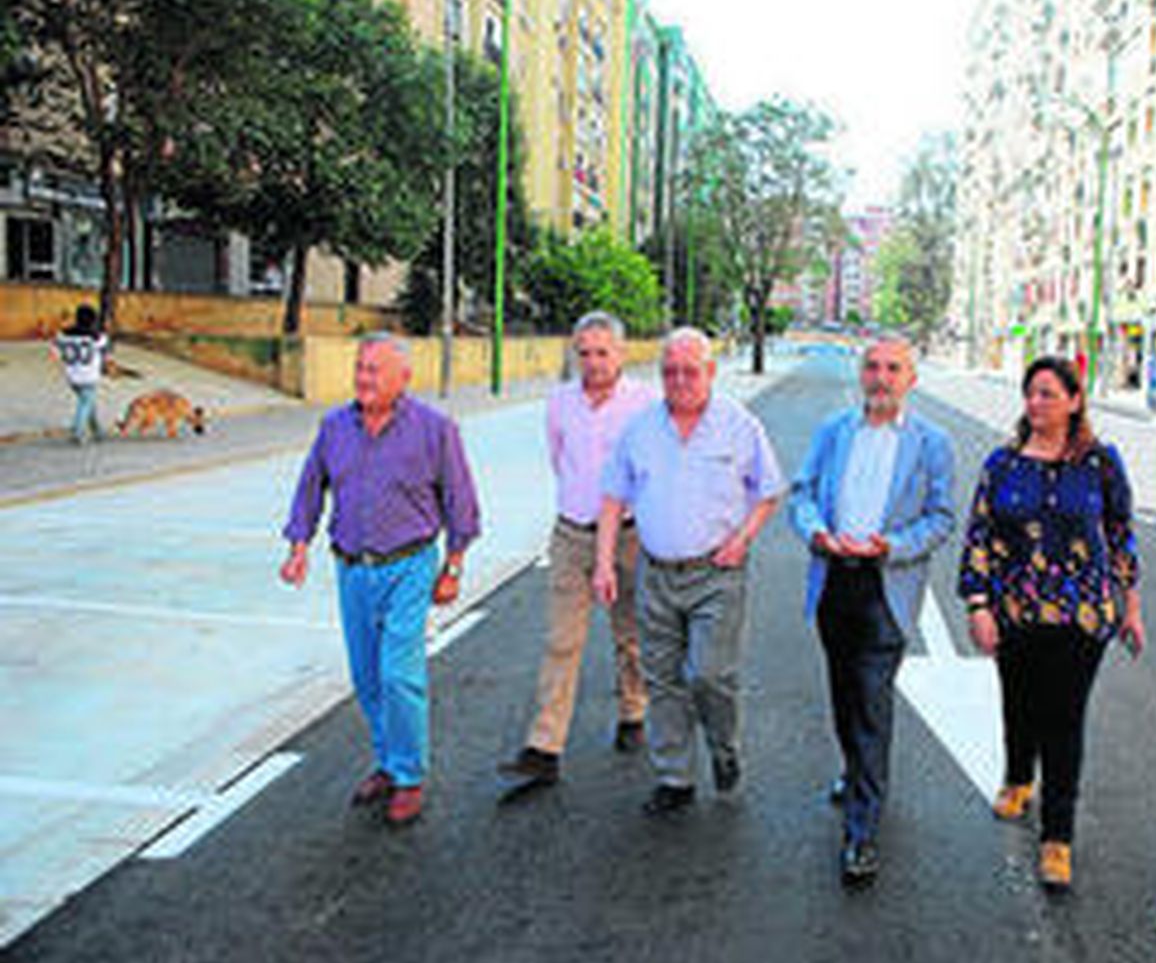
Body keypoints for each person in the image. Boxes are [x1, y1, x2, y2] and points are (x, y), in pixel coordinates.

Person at [958, 354, 1144, 891]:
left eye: (1047, 393)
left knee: (1064, 721)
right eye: (1031, 393)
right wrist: (978, 606)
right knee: (1019, 701)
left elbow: (1120, 537)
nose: (1036, 403)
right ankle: (1019, 778)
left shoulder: (1100, 463)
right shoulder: (1002, 463)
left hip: (1082, 618)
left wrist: (1130, 608)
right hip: (1016, 611)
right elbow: (980, 537)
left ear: (1074, 400)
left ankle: (1057, 837)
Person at [280, 334, 481, 826]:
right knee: (367, 677)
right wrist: (298, 545)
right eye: (361, 368)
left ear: (403, 379)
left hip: (410, 565)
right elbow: (311, 486)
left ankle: (410, 776)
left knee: (398, 673)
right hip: (352, 568)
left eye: (375, 370)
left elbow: (461, 501)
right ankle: (388, 764)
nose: (364, 378)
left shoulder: (435, 429)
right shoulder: (334, 427)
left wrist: (452, 567)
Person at [593, 328, 785, 815]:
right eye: (670, 371)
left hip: (716, 575)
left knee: (709, 674)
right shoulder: (640, 429)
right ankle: (674, 776)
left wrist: (741, 540)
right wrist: (604, 563)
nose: (679, 380)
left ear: (711, 372)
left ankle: (724, 748)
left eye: (690, 371)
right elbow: (613, 497)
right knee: (661, 678)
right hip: (655, 573)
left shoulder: (739, 425)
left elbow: (768, 491)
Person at [788, 336, 956, 887]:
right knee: (843, 694)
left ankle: (862, 830)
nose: (881, 377)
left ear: (912, 378)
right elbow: (803, 492)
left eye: (893, 369)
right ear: (862, 375)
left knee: (871, 704)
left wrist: (891, 545)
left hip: (887, 588)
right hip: (835, 578)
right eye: (873, 367)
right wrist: (816, 532)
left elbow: (940, 518)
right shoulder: (833, 431)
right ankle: (855, 770)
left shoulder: (933, 443)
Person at [498, 312, 653, 786]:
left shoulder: (646, 403)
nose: (592, 362)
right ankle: (544, 748)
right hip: (571, 536)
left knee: (631, 635)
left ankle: (633, 709)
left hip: (630, 536)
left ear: (621, 354)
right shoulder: (560, 402)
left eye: (602, 352)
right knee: (561, 641)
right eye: (583, 352)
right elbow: (558, 457)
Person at [51, 304, 111, 445]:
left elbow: (54, 352)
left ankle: (98, 431)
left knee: (88, 402)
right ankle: (78, 431)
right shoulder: (97, 337)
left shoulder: (63, 335)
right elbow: (105, 353)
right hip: (89, 376)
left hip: (72, 375)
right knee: (85, 403)